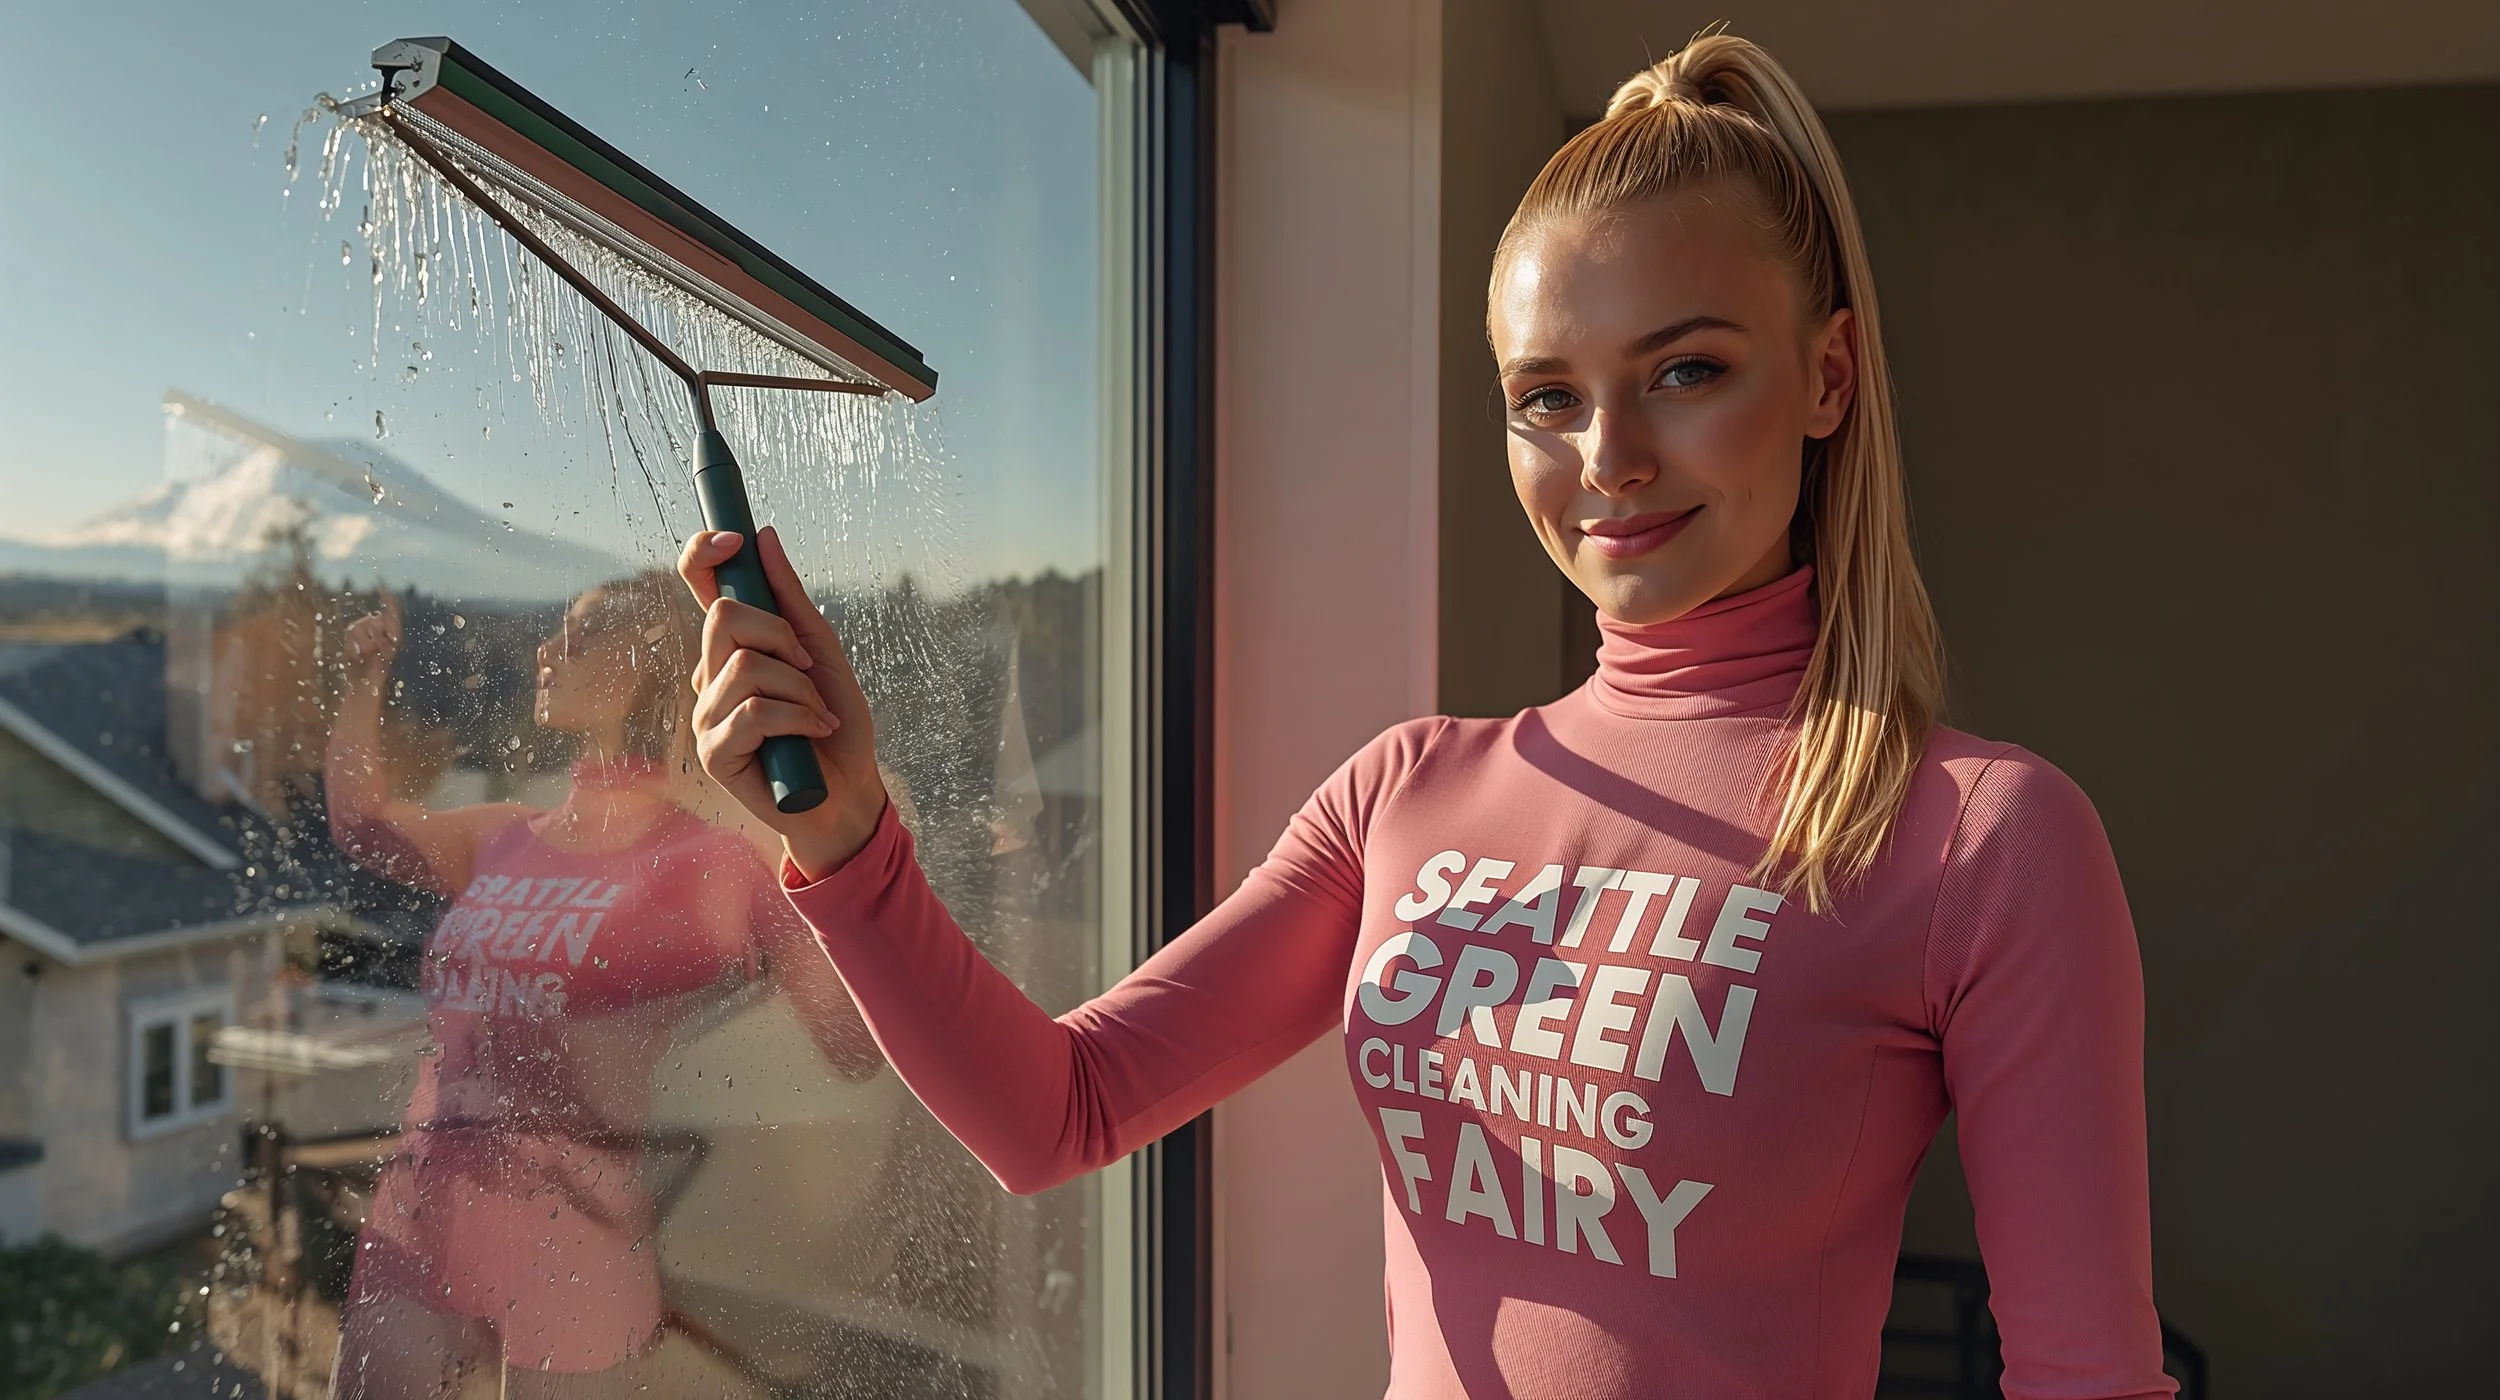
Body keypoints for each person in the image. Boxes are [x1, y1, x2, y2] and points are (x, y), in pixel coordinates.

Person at [678, 32, 2173, 1399]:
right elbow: (1055, 1112)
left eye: (1687, 370)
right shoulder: (1407, 791)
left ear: (1827, 376)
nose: (1610, 457)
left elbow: (2085, 1378)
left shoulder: (1978, 840)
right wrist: (847, 832)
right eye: (1548, 396)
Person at [322, 572, 883, 1399]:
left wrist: (844, 847)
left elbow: (855, 1046)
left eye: (581, 635)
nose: (546, 651)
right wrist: (365, 679)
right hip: (421, 1215)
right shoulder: (506, 837)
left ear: (649, 662)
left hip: (576, 1237)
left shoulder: (713, 863)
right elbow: (364, 827)